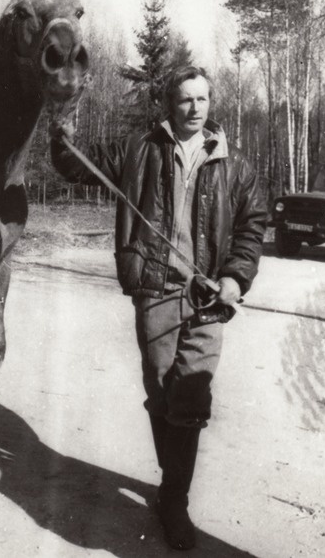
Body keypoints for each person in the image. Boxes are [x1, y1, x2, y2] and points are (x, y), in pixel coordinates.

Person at [50, 65, 267, 550]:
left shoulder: (235, 165)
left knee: (190, 396)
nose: (195, 109)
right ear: (170, 104)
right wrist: (60, 128)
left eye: (203, 100)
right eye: (186, 100)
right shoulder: (139, 148)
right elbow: (72, 164)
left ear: (212, 104)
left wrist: (235, 277)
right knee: (162, 391)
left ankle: (174, 499)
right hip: (155, 288)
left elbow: (253, 226)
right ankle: (173, 487)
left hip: (207, 296)